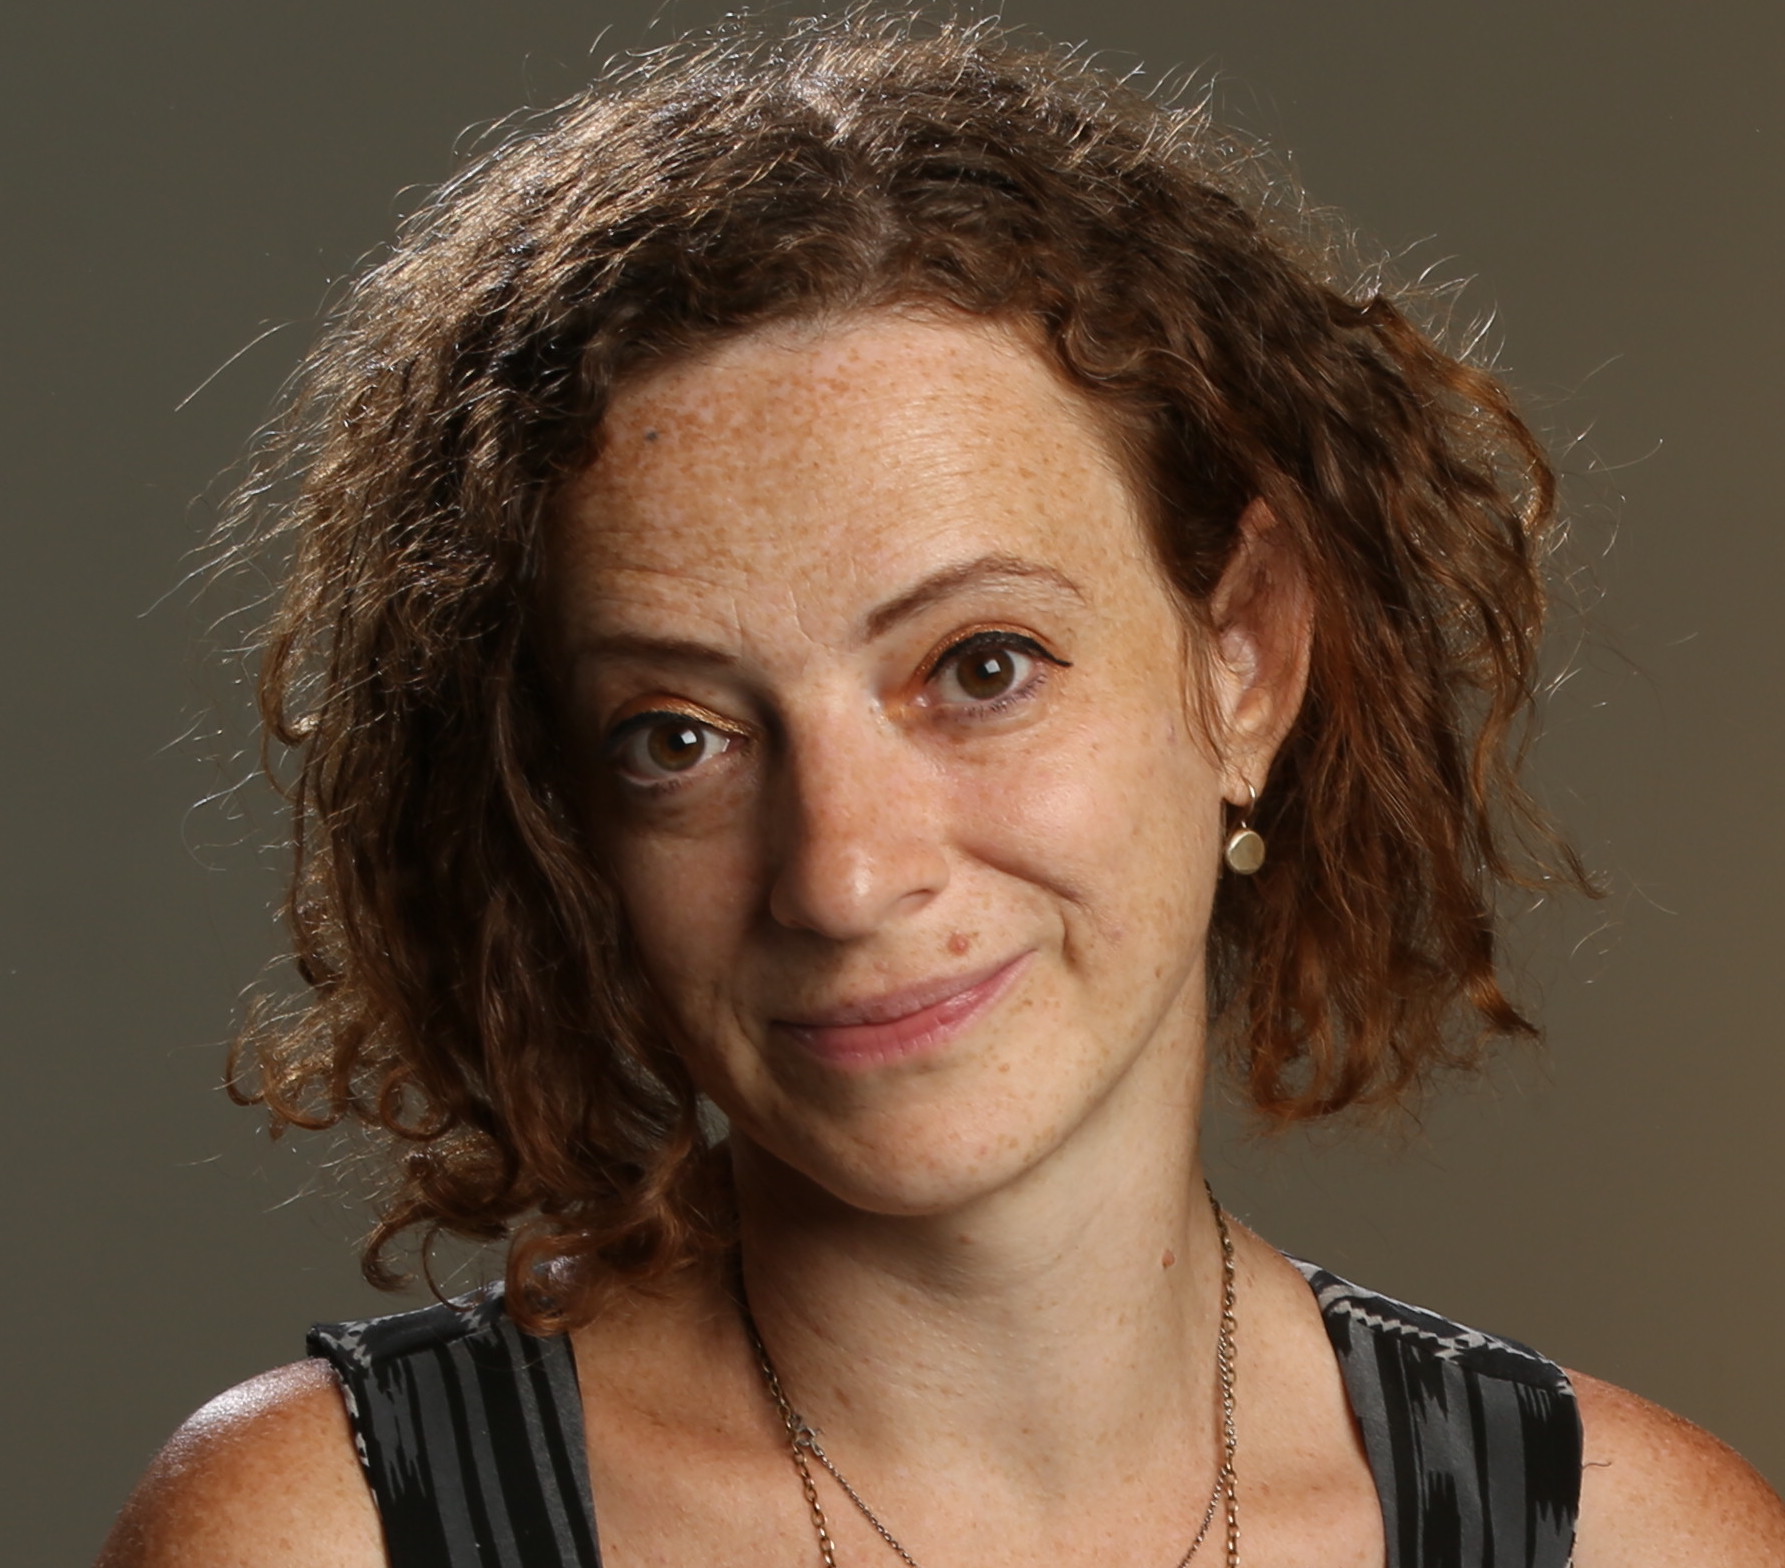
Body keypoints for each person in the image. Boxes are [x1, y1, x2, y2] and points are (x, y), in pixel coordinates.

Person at [98, 14, 1784, 1568]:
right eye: (677, 735)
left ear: (1245, 661)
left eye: (979, 667)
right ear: (567, 815)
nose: (837, 876)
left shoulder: (1639, 1543)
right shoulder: (326, 1534)